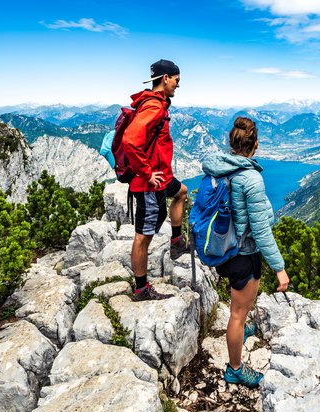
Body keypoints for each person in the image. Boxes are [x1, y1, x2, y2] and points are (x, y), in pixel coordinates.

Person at [201, 116, 290, 387]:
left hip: (225, 248)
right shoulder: (250, 178)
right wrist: (279, 268)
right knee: (237, 314)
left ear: (232, 143)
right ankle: (235, 369)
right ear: (256, 144)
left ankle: (241, 331)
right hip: (244, 253)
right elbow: (261, 232)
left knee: (239, 308)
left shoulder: (220, 168)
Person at [123, 59, 189, 301]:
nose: (177, 86)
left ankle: (176, 241)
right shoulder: (153, 107)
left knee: (181, 192)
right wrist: (147, 173)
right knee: (144, 235)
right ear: (165, 79)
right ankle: (141, 289)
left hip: (162, 178)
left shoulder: (157, 104)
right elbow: (131, 140)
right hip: (149, 183)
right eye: (176, 80)